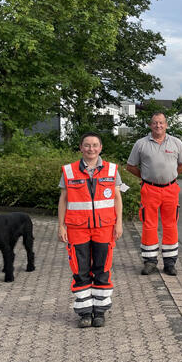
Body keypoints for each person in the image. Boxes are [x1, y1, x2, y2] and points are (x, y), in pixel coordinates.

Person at [58, 133, 123, 328]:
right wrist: (61, 225)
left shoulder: (112, 169)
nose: (91, 149)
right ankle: (85, 312)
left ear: (101, 147)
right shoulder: (69, 171)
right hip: (77, 228)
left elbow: (117, 198)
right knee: (80, 270)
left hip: (104, 228)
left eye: (95, 145)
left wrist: (119, 223)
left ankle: (100, 311)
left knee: (102, 269)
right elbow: (63, 199)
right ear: (81, 148)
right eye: (87, 145)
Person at [126, 112, 182, 276]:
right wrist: (146, 176)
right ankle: (150, 261)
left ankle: (169, 263)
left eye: (161, 123)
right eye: (155, 123)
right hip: (149, 190)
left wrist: (170, 176)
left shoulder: (176, 143)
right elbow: (130, 166)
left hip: (171, 189)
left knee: (171, 225)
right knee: (149, 225)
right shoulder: (141, 144)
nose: (158, 126)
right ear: (150, 125)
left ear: (166, 125)